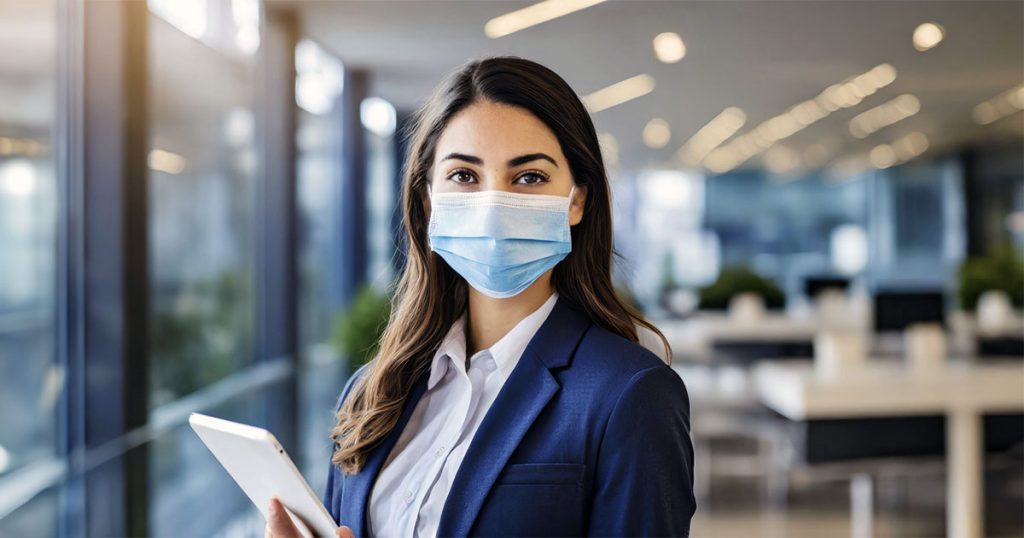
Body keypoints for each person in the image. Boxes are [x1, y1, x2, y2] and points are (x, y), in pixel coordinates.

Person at [267, 55, 695, 537]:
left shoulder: (630, 394)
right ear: (429, 201)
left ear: (576, 200)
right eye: (464, 176)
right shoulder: (373, 390)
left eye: (529, 177)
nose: (492, 204)